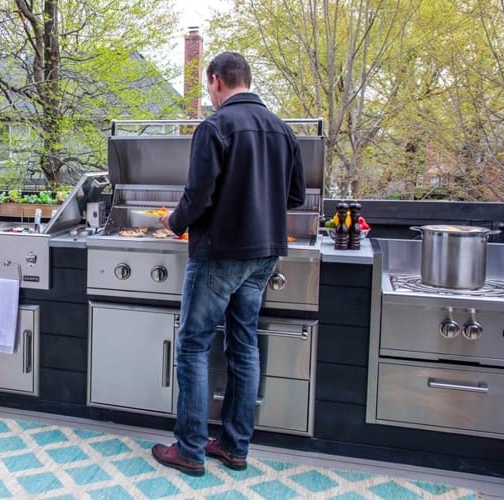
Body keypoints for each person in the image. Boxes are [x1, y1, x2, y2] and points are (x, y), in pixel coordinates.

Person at [153, 52, 306, 476]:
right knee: (244, 346)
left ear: (217, 81)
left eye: (208, 87)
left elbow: (198, 197)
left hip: (221, 254)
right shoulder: (283, 130)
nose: (210, 94)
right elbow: (295, 197)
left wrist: (173, 222)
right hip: (264, 254)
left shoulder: (215, 127)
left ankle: (189, 449)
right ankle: (235, 448)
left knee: (193, 346)